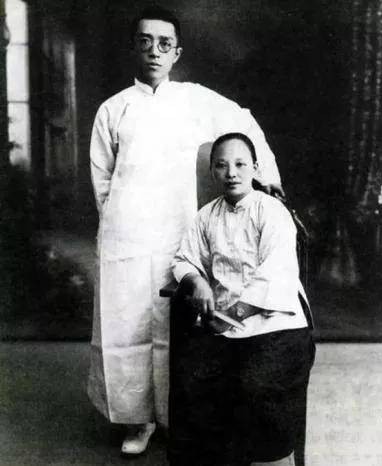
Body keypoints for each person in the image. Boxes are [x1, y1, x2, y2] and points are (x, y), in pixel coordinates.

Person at [88, 6, 282, 456]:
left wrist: (266, 176)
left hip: (178, 231)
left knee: (176, 324)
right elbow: (101, 180)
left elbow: (242, 122)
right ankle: (136, 421)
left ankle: (176, 415)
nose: (154, 52)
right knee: (125, 324)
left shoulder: (194, 100)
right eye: (145, 42)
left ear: (177, 52)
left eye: (164, 44)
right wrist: (115, 223)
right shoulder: (113, 109)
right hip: (125, 235)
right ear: (134, 48)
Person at [169, 132, 315, 466]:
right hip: (224, 325)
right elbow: (184, 258)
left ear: (255, 168)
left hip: (276, 323)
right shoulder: (207, 215)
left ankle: (266, 457)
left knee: (253, 385)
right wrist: (197, 281)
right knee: (193, 381)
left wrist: (234, 313)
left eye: (240, 164)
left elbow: (275, 273)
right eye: (222, 165)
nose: (231, 173)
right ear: (212, 172)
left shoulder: (272, 211)